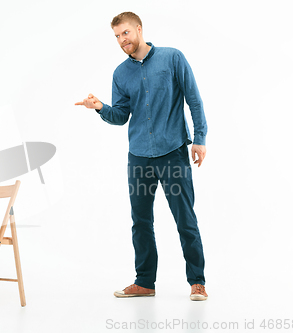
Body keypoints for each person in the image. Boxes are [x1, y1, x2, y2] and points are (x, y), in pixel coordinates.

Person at [75, 12, 208, 301]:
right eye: (117, 36)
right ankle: (145, 282)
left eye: (125, 33)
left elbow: (194, 99)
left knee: (185, 219)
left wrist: (200, 139)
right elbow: (121, 116)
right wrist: (100, 107)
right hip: (139, 159)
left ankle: (197, 282)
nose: (122, 40)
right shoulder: (120, 74)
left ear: (138, 29)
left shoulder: (173, 58)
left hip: (173, 153)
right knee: (141, 221)